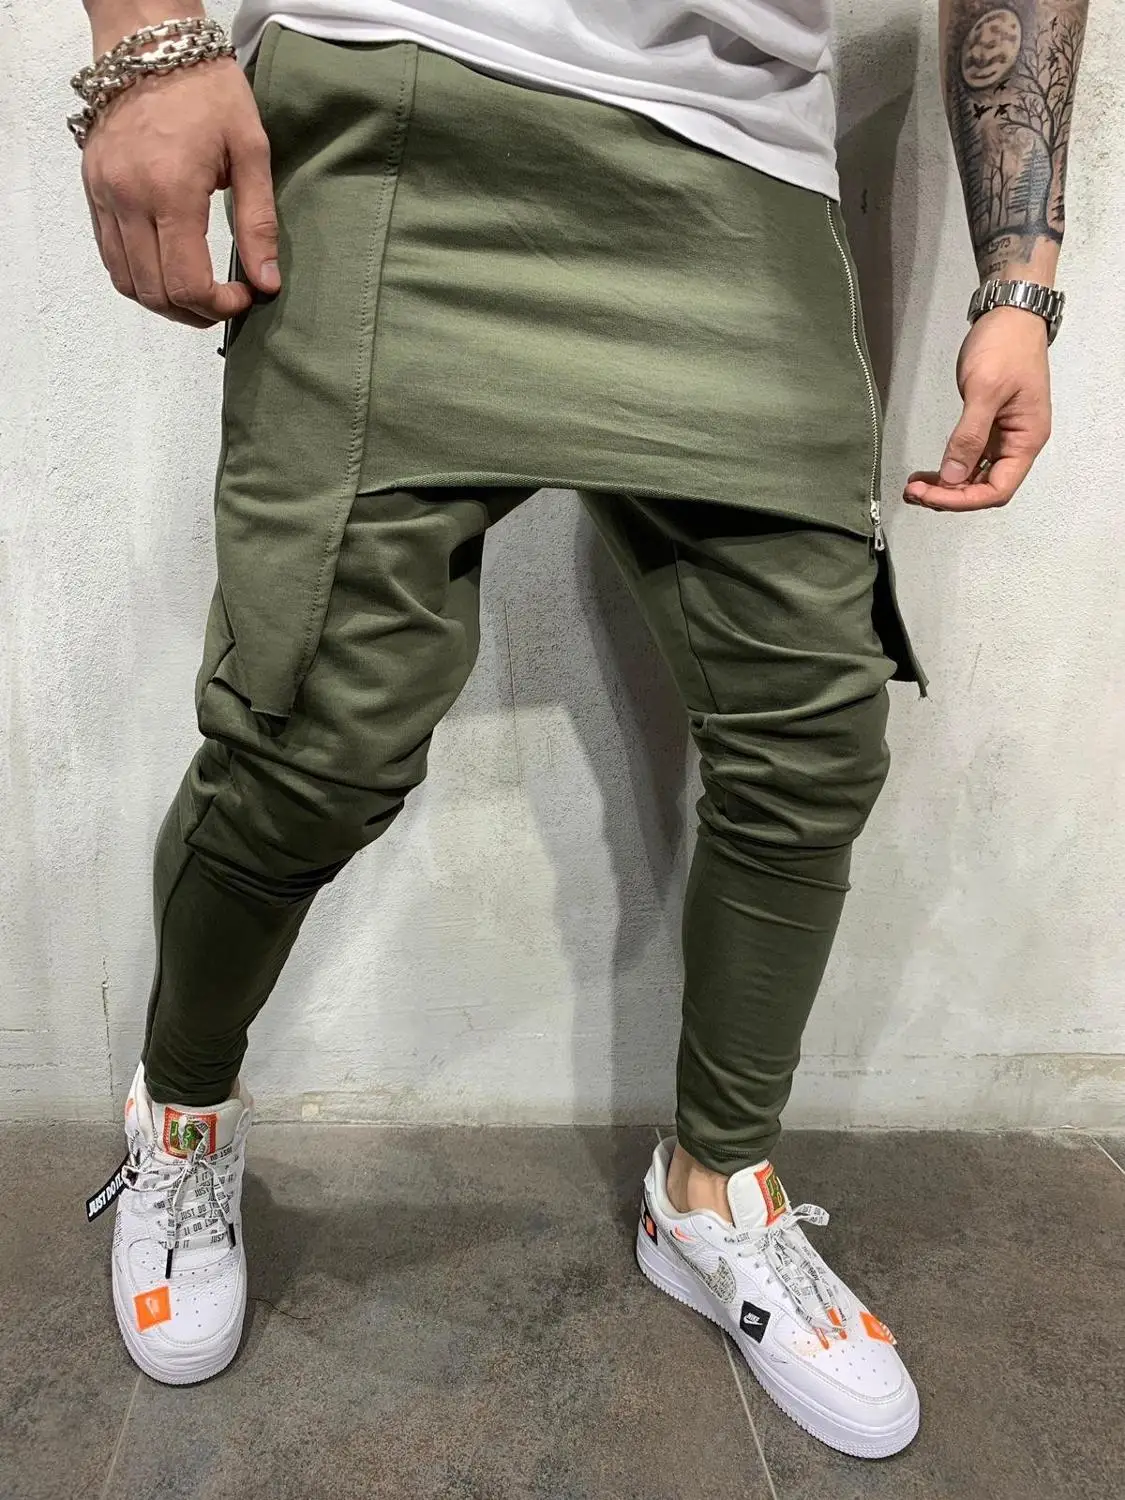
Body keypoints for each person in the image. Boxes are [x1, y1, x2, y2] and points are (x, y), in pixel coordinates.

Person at [76, 0, 1085, 1455]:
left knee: (812, 733)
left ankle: (711, 1191)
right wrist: (145, 45)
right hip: (400, 96)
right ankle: (180, 1116)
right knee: (309, 734)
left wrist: (1019, 280)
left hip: (744, 166)